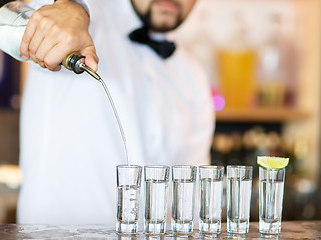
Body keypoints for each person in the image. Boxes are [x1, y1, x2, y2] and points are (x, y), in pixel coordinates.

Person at [17, 0, 215, 225]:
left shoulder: (192, 75)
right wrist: (70, 7)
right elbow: (45, 16)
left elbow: (193, 195)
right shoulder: (83, 22)